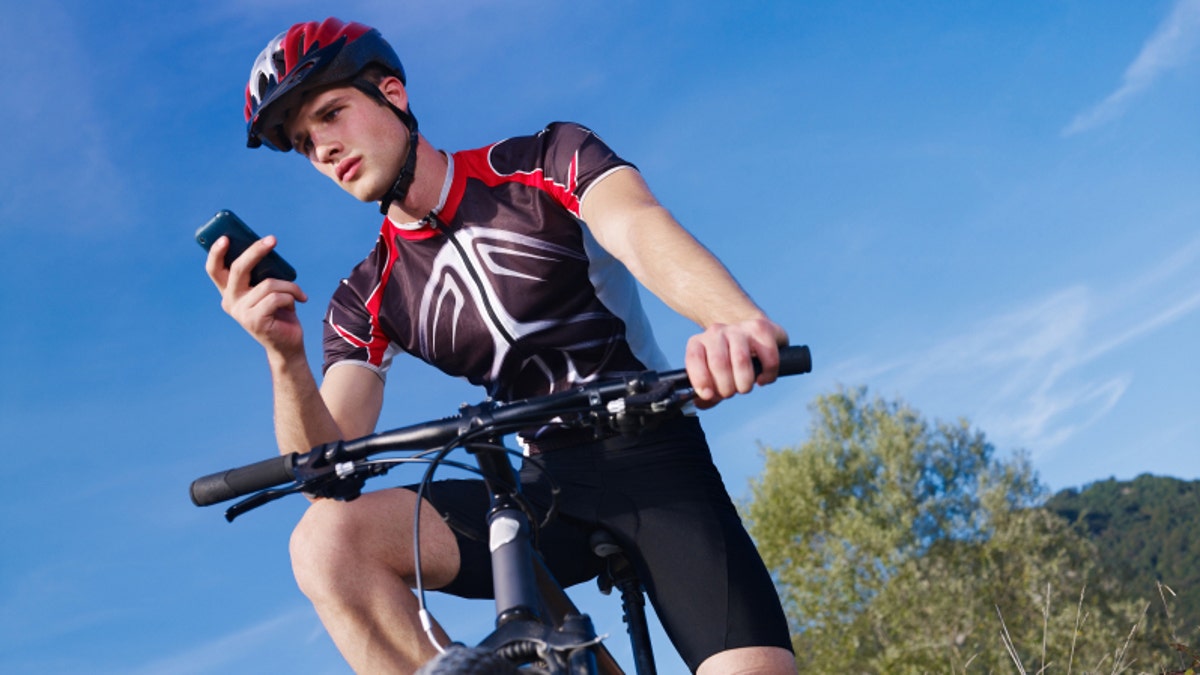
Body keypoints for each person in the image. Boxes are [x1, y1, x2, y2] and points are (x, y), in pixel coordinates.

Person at [208, 17, 794, 674]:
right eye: (304, 141)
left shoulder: (543, 161)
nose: (323, 147)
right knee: (326, 542)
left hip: (656, 461)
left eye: (332, 113)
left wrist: (732, 319)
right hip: (540, 490)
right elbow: (327, 471)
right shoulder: (365, 296)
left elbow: (636, 225)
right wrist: (283, 356)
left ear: (392, 93)